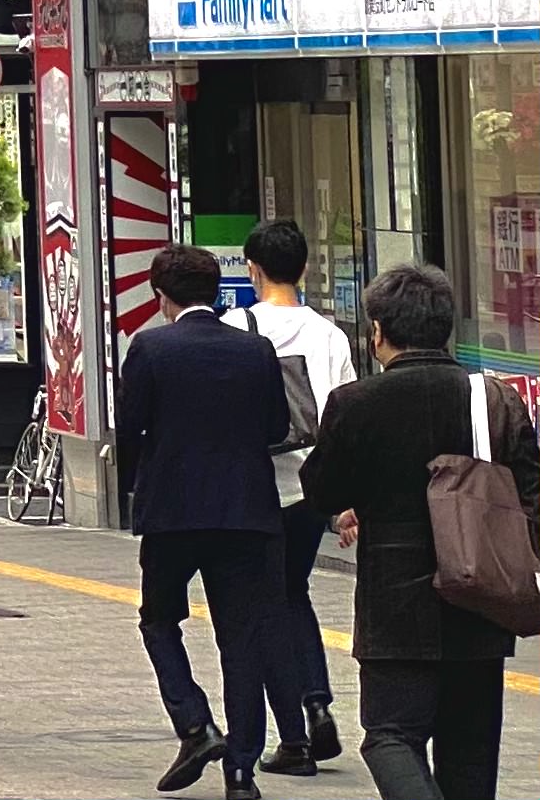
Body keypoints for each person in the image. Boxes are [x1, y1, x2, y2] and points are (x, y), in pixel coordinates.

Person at [298, 261, 540, 800]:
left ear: (378, 332)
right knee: (470, 751)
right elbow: (529, 496)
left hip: (396, 606)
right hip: (482, 594)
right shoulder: (494, 398)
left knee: (390, 736)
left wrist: (358, 503)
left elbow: (322, 491)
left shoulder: (356, 403)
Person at [120, 241, 293, 796]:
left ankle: (194, 722)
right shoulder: (256, 350)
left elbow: (129, 431)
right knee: (243, 638)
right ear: (218, 291)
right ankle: (242, 770)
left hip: (172, 513)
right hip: (246, 512)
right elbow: (274, 428)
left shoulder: (150, 348)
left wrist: (137, 490)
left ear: (159, 295)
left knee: (158, 617)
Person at [234, 219, 359, 768]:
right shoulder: (329, 335)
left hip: (254, 489)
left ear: (253, 269)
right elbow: (344, 419)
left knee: (263, 607)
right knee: (294, 594)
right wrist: (346, 501)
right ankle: (316, 704)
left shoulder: (236, 327)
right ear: (304, 269)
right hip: (312, 491)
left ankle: (295, 732)